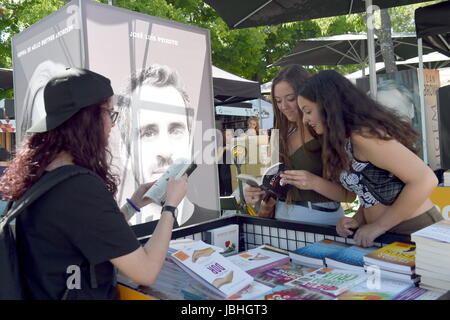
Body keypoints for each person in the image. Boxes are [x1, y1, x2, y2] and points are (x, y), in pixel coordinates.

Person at [0, 67, 188, 299]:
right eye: (109, 113)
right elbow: (146, 271)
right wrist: (170, 206)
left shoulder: (39, 175)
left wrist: (133, 204)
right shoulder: (78, 187)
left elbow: (88, 230)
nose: (112, 124)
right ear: (87, 119)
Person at [298, 70, 443, 247]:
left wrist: (379, 226)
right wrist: (358, 219)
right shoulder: (346, 139)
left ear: (328, 105)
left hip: (414, 229)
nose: (305, 120)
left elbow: (425, 180)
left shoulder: (364, 136)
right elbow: (371, 189)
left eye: (308, 111)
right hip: (387, 232)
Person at [244, 65, 354, 225]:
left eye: (290, 99)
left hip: (320, 218)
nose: (283, 106)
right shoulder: (281, 133)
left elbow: (349, 195)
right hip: (282, 218)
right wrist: (261, 192)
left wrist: (313, 182)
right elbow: (276, 185)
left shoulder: (325, 131)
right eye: (278, 101)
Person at [115, 64, 219, 226]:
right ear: (125, 152)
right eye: (148, 133)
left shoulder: (214, 221)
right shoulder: (114, 236)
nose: (165, 150)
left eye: (175, 131)